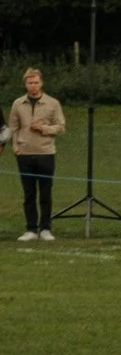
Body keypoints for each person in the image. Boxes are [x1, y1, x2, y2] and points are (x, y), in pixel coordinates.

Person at [9, 65, 66, 241]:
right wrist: (15, 145)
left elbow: (61, 127)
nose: (33, 85)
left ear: (41, 83)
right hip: (24, 153)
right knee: (28, 193)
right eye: (30, 82)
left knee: (45, 192)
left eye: (36, 82)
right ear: (25, 84)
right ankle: (31, 229)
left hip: (45, 153)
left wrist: (44, 128)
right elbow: (13, 126)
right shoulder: (18, 103)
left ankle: (46, 228)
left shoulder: (52, 103)